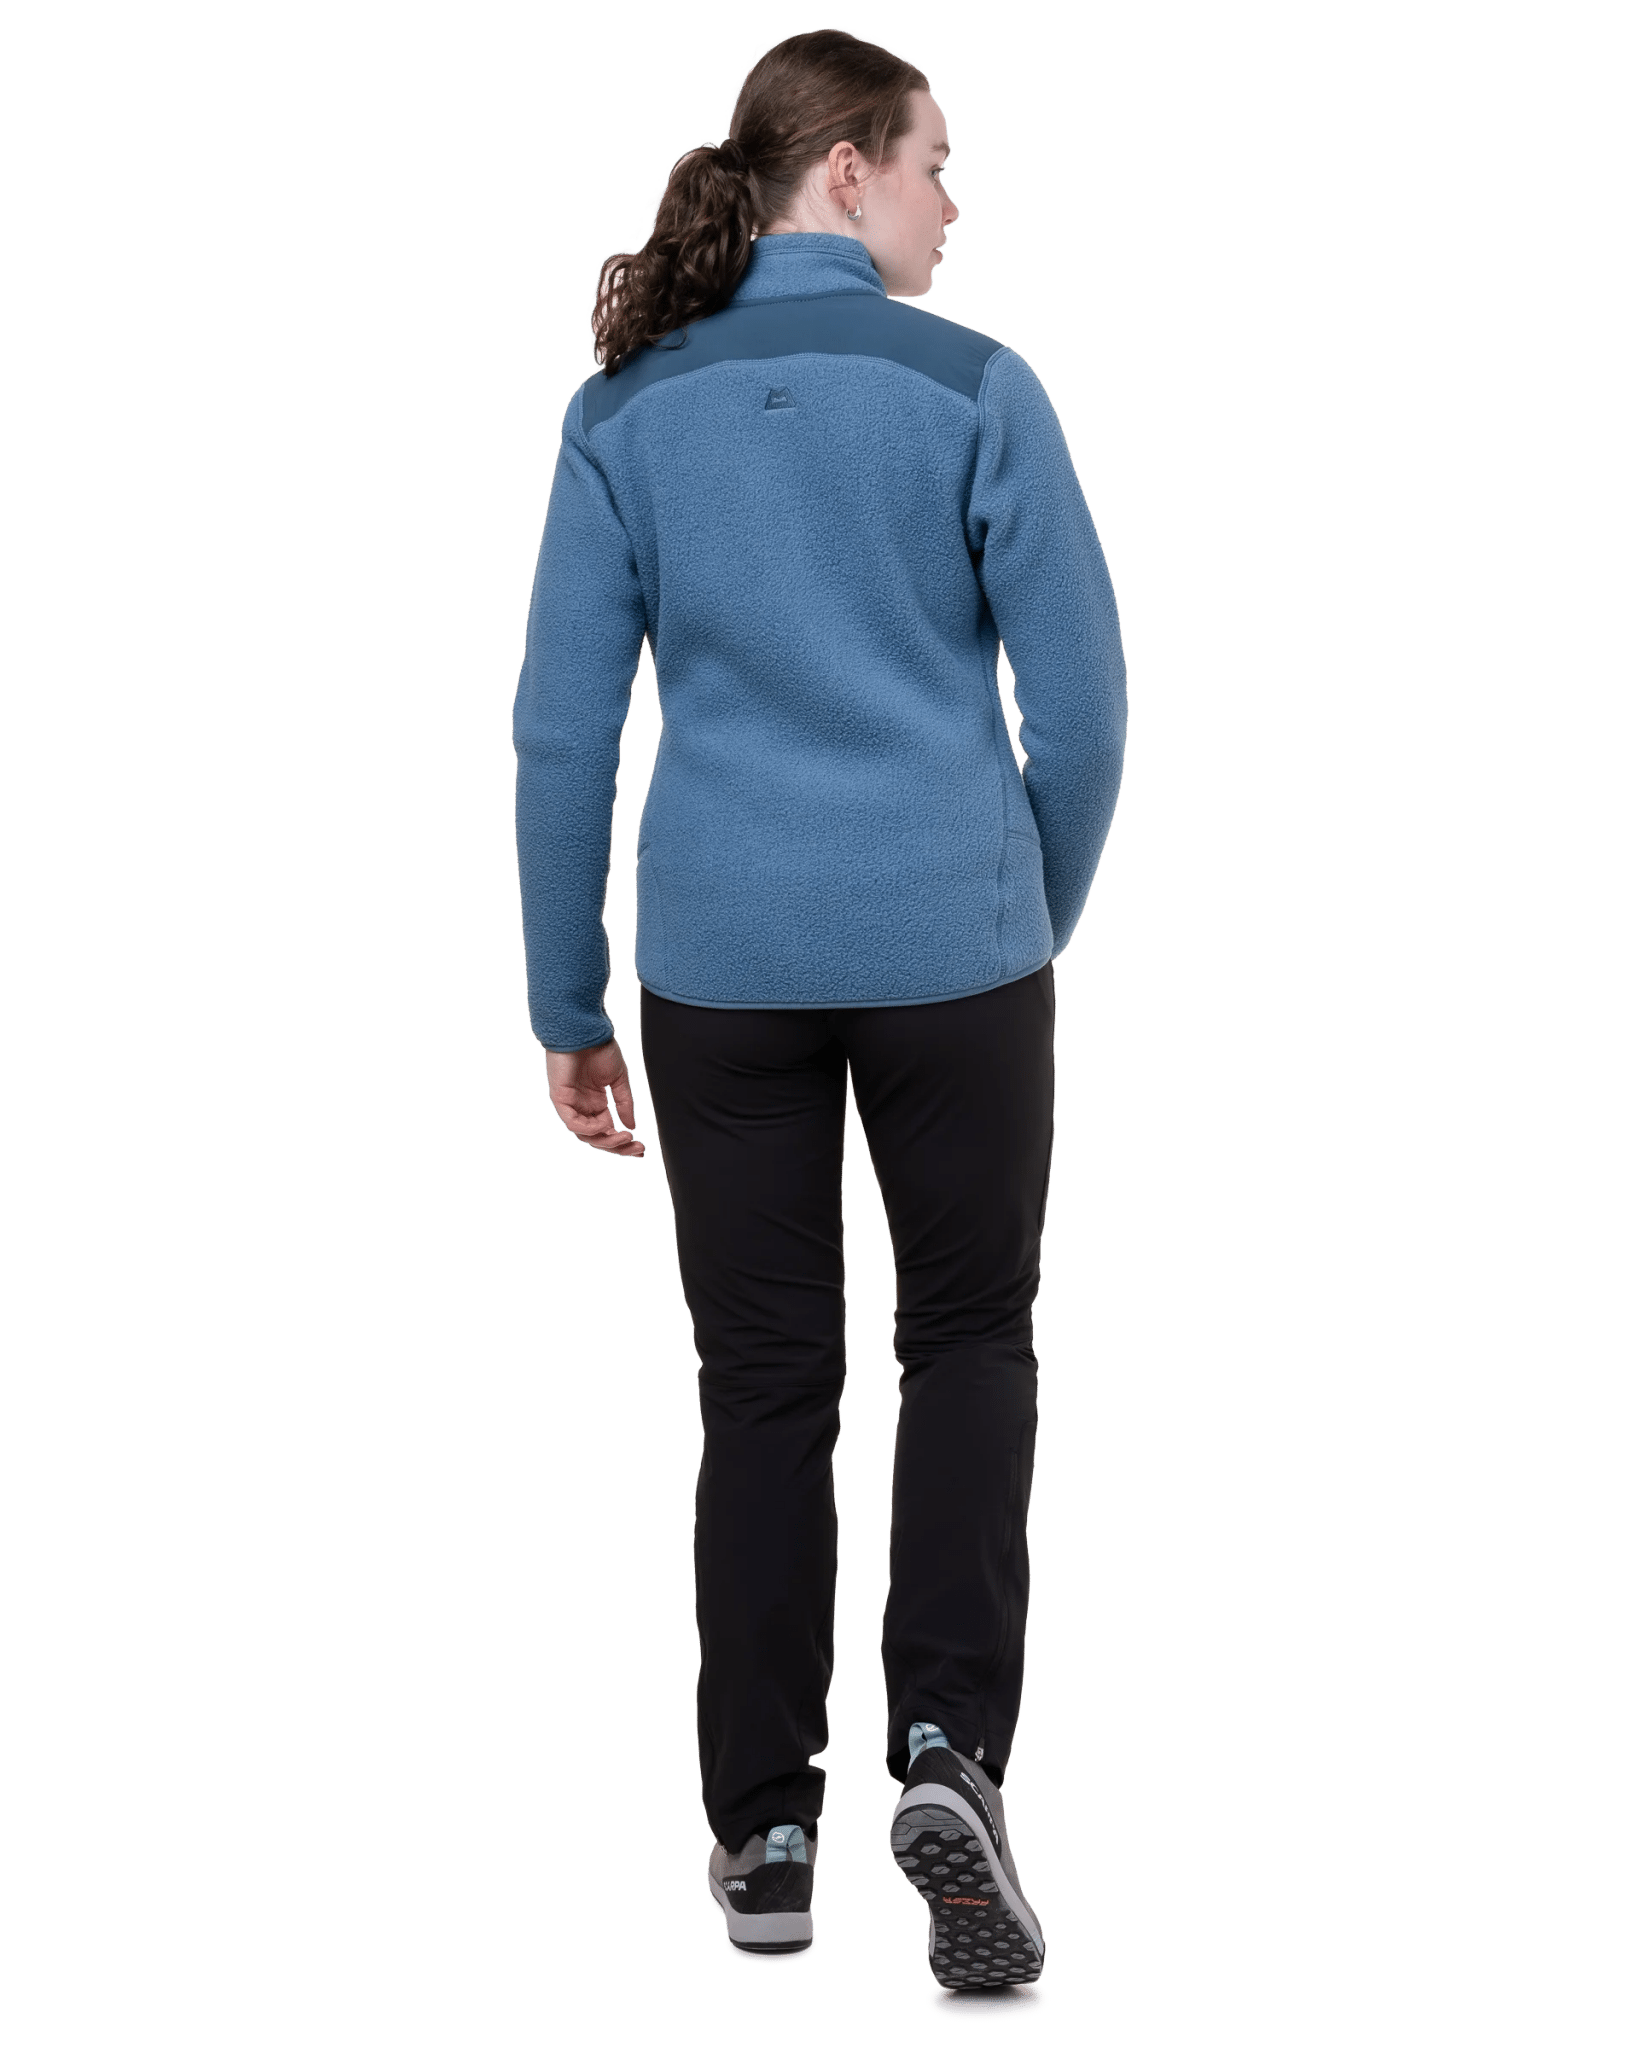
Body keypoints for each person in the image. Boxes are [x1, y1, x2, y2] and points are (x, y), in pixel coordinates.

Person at [510, 27, 1126, 2008]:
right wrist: (1016, 915)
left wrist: (565, 997)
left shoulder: (623, 410)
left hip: (719, 971)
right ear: (844, 170)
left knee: (765, 1387)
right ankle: (948, 1759)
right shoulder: (977, 387)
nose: (953, 200)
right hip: (959, 960)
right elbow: (1088, 712)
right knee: (970, 1342)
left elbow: (559, 732)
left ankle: (765, 1837)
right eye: (936, 161)